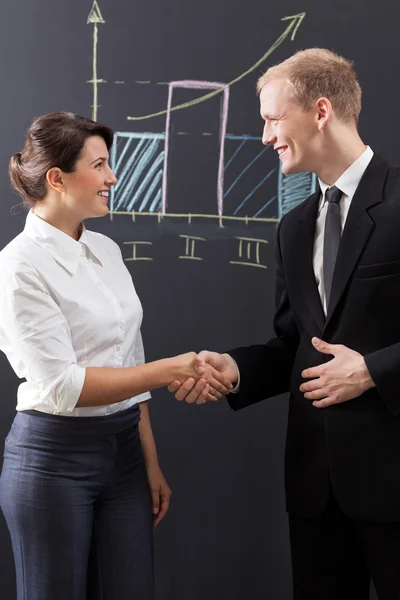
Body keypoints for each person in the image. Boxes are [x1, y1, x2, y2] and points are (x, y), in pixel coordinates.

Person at [169, 48, 400, 599]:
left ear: (321, 112)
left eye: (273, 119)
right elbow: (293, 345)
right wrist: (236, 370)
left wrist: (373, 371)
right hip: (315, 489)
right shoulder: (293, 227)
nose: (267, 136)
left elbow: (363, 361)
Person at [0, 112, 231, 600]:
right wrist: (173, 369)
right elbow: (64, 386)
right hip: (52, 461)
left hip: (124, 455)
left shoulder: (105, 249)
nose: (113, 177)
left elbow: (130, 359)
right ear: (57, 178)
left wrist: (148, 461)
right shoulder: (18, 266)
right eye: (100, 165)